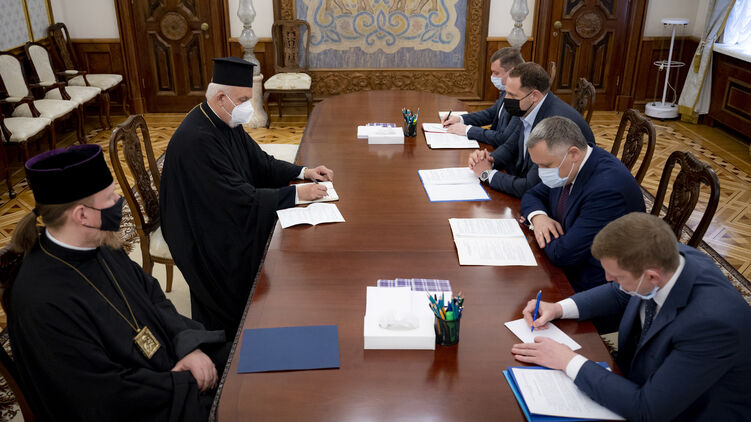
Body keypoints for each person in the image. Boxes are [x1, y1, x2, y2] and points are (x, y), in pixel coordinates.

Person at [6, 145, 228, 421]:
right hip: (138, 403)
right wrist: (181, 382)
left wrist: (187, 345)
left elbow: (151, 293)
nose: (119, 201)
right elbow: (100, 395)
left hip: (169, 361)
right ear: (82, 215)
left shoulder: (99, 241)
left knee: (244, 359)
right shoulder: (41, 303)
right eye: (110, 197)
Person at [511, 213, 751, 421]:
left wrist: (567, 360)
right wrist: (559, 308)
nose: (609, 279)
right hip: (638, 376)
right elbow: (620, 292)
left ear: (652, 276)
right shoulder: (668, 257)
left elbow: (648, 410)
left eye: (617, 276)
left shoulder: (713, 325)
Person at [160, 57, 334, 339]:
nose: (248, 107)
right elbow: (236, 200)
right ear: (221, 98)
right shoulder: (198, 141)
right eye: (243, 100)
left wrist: (303, 172)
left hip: (219, 208)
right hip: (200, 231)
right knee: (276, 253)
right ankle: (243, 332)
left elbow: (261, 162)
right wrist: (295, 194)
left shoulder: (224, 119)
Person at [520, 116, 644, 294]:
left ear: (573, 154)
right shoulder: (570, 166)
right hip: (565, 264)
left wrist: (536, 230)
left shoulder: (607, 189)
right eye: (538, 165)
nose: (541, 172)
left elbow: (563, 254)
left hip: (594, 285)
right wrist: (539, 218)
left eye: (546, 165)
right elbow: (532, 194)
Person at [467, 62, 596, 198]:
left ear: (534, 95)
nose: (506, 100)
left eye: (512, 95)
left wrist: (487, 174)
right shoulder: (528, 107)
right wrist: (489, 160)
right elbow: (510, 146)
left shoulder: (553, 125)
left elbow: (529, 187)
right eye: (506, 92)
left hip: (562, 197)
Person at [441, 47, 524, 147]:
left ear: (512, 72)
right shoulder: (506, 89)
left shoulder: (522, 98)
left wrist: (468, 130)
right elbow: (491, 114)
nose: (492, 76)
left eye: (496, 73)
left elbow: (503, 138)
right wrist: (460, 119)